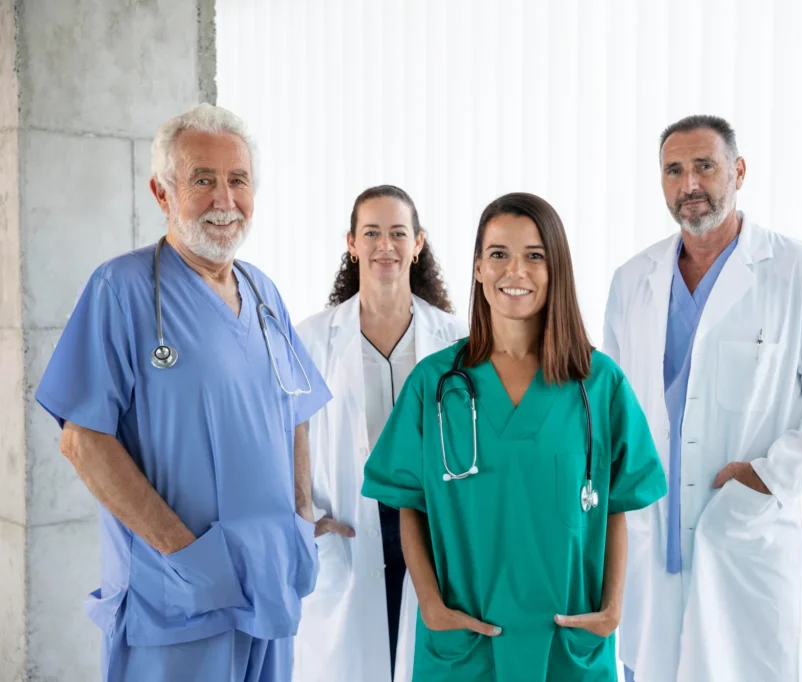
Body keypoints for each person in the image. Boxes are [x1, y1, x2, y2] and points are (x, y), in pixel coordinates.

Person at [34, 103, 332, 682]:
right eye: (203, 180)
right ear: (163, 192)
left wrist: (300, 519)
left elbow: (296, 408)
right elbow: (83, 440)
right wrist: (186, 557)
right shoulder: (120, 289)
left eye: (237, 180)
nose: (225, 199)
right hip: (175, 601)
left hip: (269, 588)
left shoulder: (264, 290)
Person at [606, 115, 802, 682]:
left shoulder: (800, 271)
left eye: (704, 166)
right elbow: (612, 410)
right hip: (650, 539)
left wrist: (772, 475)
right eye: (673, 170)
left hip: (742, 532)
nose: (689, 185)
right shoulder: (633, 280)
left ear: (739, 171)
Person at [360, 192, 667, 681]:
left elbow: (617, 506)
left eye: (534, 256)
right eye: (499, 254)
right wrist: (432, 607)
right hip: (467, 642)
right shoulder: (435, 384)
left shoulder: (599, 383)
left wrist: (611, 610)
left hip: (566, 642)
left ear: (556, 270)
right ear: (479, 268)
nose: (515, 271)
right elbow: (409, 504)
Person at [293, 185, 468, 682]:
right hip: (348, 530)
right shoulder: (312, 338)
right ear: (351, 243)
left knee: (422, 661)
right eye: (371, 232)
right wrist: (307, 513)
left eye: (397, 233)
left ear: (419, 243)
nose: (384, 245)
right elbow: (285, 431)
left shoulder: (457, 340)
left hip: (430, 530)